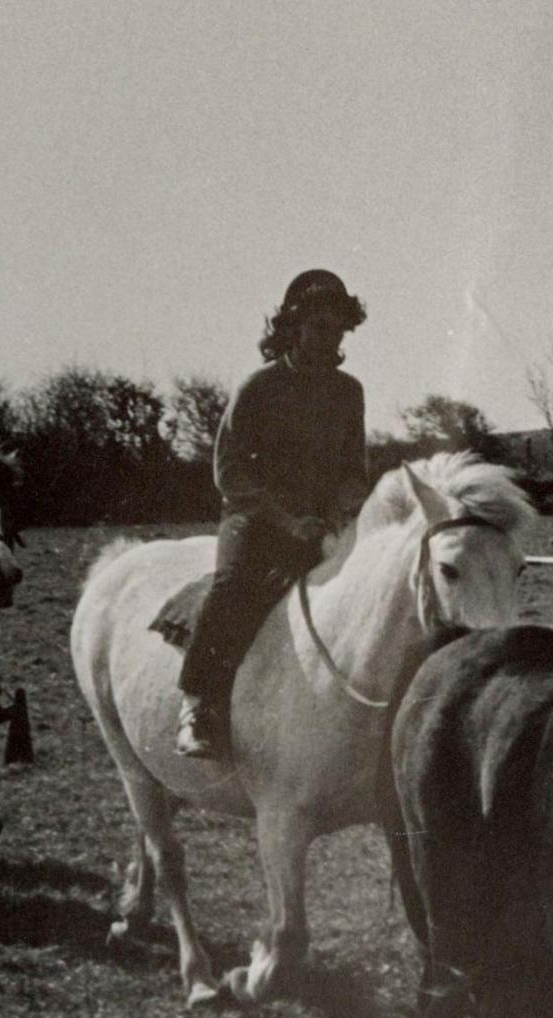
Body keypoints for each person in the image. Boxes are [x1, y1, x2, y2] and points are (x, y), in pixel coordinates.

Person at [175, 268, 370, 758]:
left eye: (339, 329)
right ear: (293, 326)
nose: (330, 339)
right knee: (232, 585)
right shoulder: (258, 387)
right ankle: (198, 705)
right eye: (319, 327)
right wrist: (285, 520)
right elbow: (230, 470)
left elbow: (354, 469)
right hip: (257, 520)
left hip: (323, 523)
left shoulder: (350, 392)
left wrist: (338, 512)